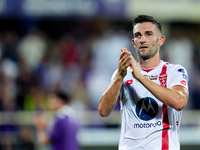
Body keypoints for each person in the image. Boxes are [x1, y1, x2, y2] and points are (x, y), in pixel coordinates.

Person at [98, 15, 189, 150]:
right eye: (138, 35)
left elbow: (179, 102)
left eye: (149, 34)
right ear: (133, 42)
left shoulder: (174, 71)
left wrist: (141, 77)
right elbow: (103, 111)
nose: (142, 39)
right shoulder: (122, 73)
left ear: (160, 40)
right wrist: (119, 76)